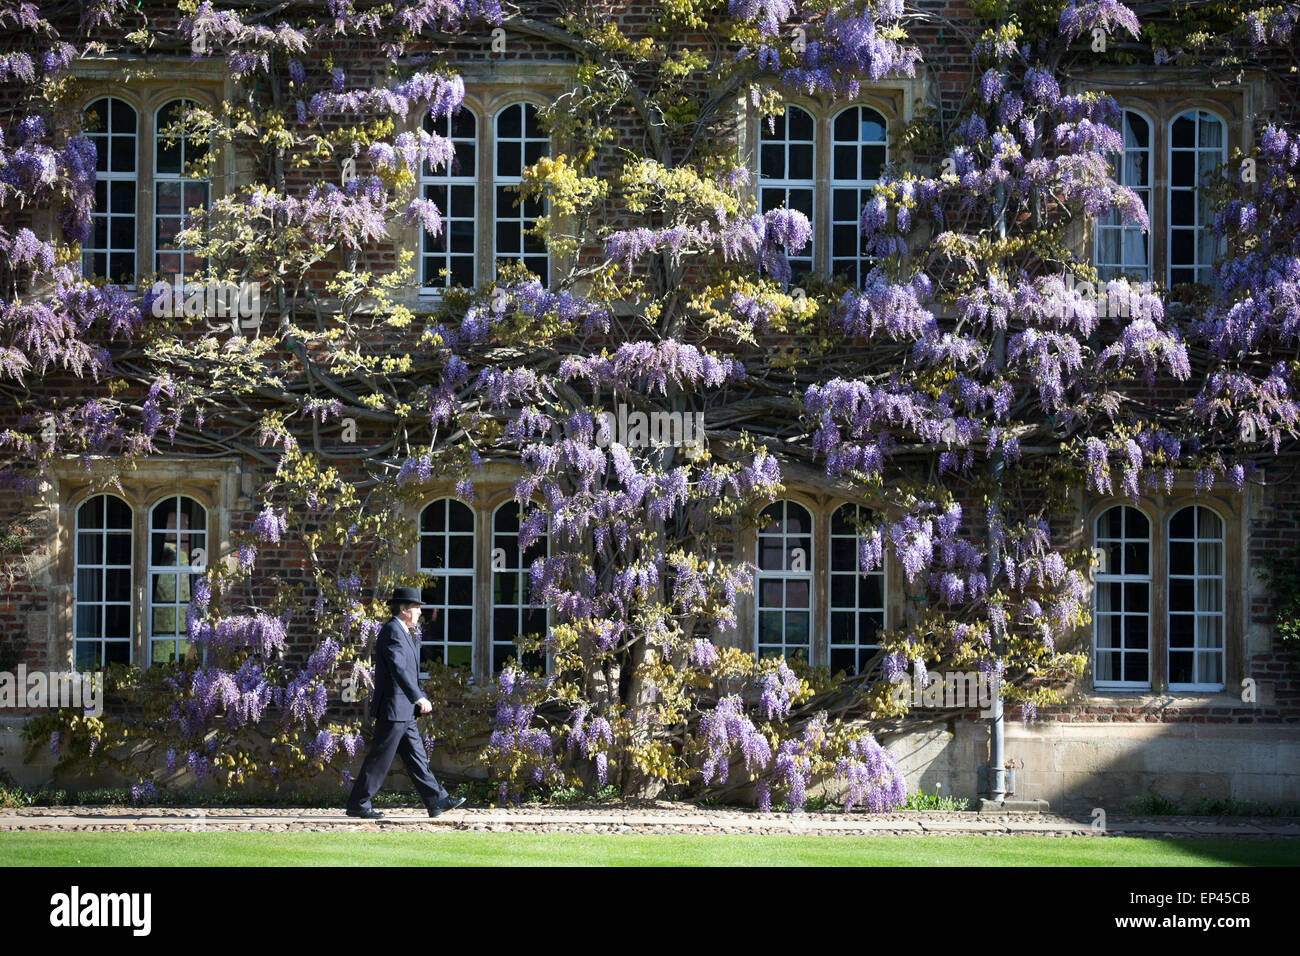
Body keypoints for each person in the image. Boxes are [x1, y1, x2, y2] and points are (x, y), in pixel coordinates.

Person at [345, 586, 466, 819]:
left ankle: (436, 800)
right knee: (380, 758)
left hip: (404, 710)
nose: (420, 612)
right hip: (394, 708)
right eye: (416, 608)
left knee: (417, 758)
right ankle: (358, 803)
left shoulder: (404, 632)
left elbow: (407, 671)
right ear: (403, 609)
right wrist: (418, 696)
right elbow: (398, 670)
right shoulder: (392, 631)